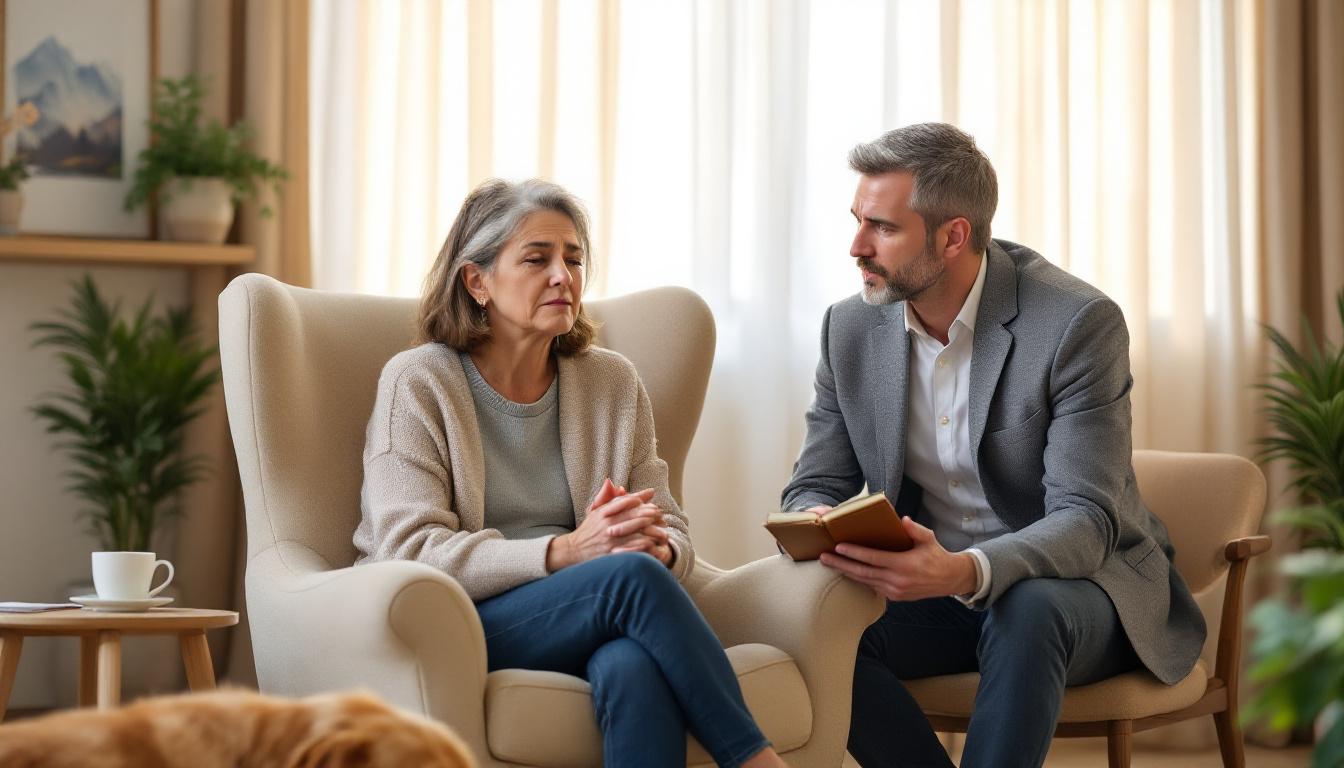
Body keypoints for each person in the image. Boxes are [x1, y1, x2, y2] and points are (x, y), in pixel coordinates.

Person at [780, 123, 1205, 768]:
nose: (857, 247)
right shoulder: (850, 327)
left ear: (953, 236)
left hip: (1081, 589)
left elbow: (1087, 520)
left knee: (1026, 607)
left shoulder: (1074, 323)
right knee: (813, 625)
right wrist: (817, 519)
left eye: (883, 228)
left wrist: (966, 569)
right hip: (936, 594)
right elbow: (816, 481)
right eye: (858, 221)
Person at [354, 178, 786, 768]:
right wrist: (569, 551)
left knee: (632, 665)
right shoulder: (418, 382)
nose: (564, 276)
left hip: (594, 609)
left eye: (574, 259)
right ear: (477, 282)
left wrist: (652, 544)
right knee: (628, 579)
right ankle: (757, 760)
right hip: (461, 622)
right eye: (537, 259)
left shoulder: (612, 382)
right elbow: (409, 551)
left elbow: (673, 530)